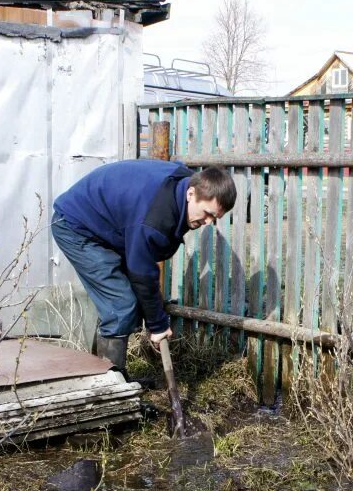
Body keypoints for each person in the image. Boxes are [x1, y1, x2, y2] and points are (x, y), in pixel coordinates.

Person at [51, 160, 236, 375]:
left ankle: (99, 373)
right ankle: (110, 388)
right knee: (120, 305)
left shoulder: (184, 182)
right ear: (191, 194)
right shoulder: (154, 220)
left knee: (119, 304)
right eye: (207, 213)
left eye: (215, 218)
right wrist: (157, 326)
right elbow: (142, 272)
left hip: (107, 225)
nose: (208, 222)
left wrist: (154, 318)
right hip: (75, 225)